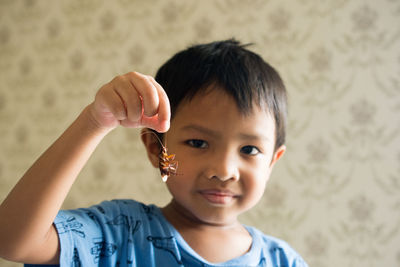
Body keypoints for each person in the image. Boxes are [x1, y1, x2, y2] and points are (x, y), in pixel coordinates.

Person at [0, 39, 308, 266]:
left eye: (249, 149)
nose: (223, 170)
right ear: (155, 149)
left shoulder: (283, 261)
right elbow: (13, 240)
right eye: (198, 143)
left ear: (272, 161)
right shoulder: (119, 233)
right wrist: (94, 121)